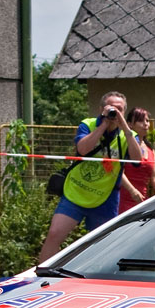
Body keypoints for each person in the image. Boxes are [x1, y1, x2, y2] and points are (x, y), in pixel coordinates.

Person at [38, 92, 143, 263]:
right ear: (101, 109)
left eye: (120, 109)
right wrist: (103, 125)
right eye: (111, 108)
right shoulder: (88, 124)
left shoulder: (128, 135)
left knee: (104, 245)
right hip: (76, 193)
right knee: (54, 233)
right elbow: (83, 149)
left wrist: (124, 127)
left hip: (105, 198)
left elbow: (137, 160)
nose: (115, 113)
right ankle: (41, 276)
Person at [118, 107, 155, 214]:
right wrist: (132, 190)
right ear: (129, 125)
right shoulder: (123, 144)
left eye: (147, 120)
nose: (146, 124)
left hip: (142, 201)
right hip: (123, 201)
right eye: (140, 121)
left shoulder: (150, 149)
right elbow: (118, 172)